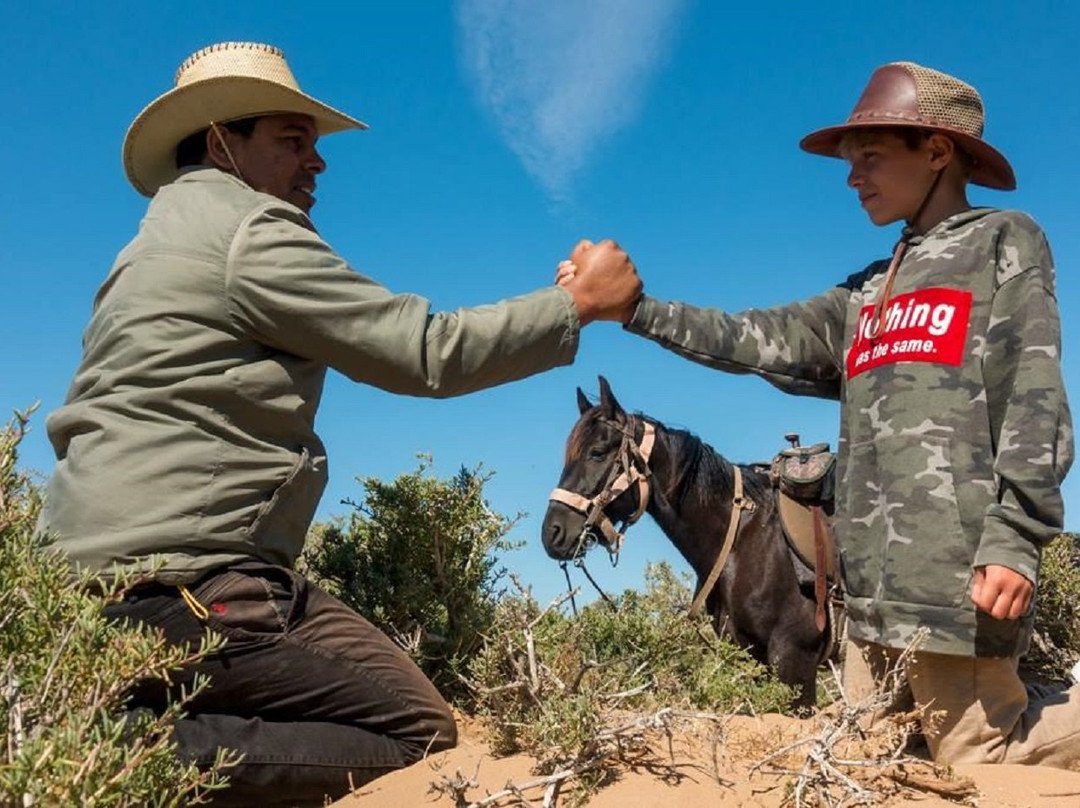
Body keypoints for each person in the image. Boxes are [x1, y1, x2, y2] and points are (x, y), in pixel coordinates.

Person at [38, 41, 641, 806]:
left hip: (81, 600)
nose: (316, 164)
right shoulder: (250, 232)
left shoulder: (143, 251)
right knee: (416, 732)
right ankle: (115, 755)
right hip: (189, 584)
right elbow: (427, 352)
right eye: (293, 141)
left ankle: (93, 718)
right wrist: (577, 306)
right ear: (224, 140)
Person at [561, 61, 1079, 767]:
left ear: (937, 151)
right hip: (868, 598)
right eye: (849, 160)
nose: (852, 176)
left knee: (976, 758)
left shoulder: (1002, 244)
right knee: (864, 755)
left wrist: (1016, 533)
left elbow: (1035, 394)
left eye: (871, 157)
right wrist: (636, 310)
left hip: (954, 584)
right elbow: (750, 338)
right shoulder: (864, 294)